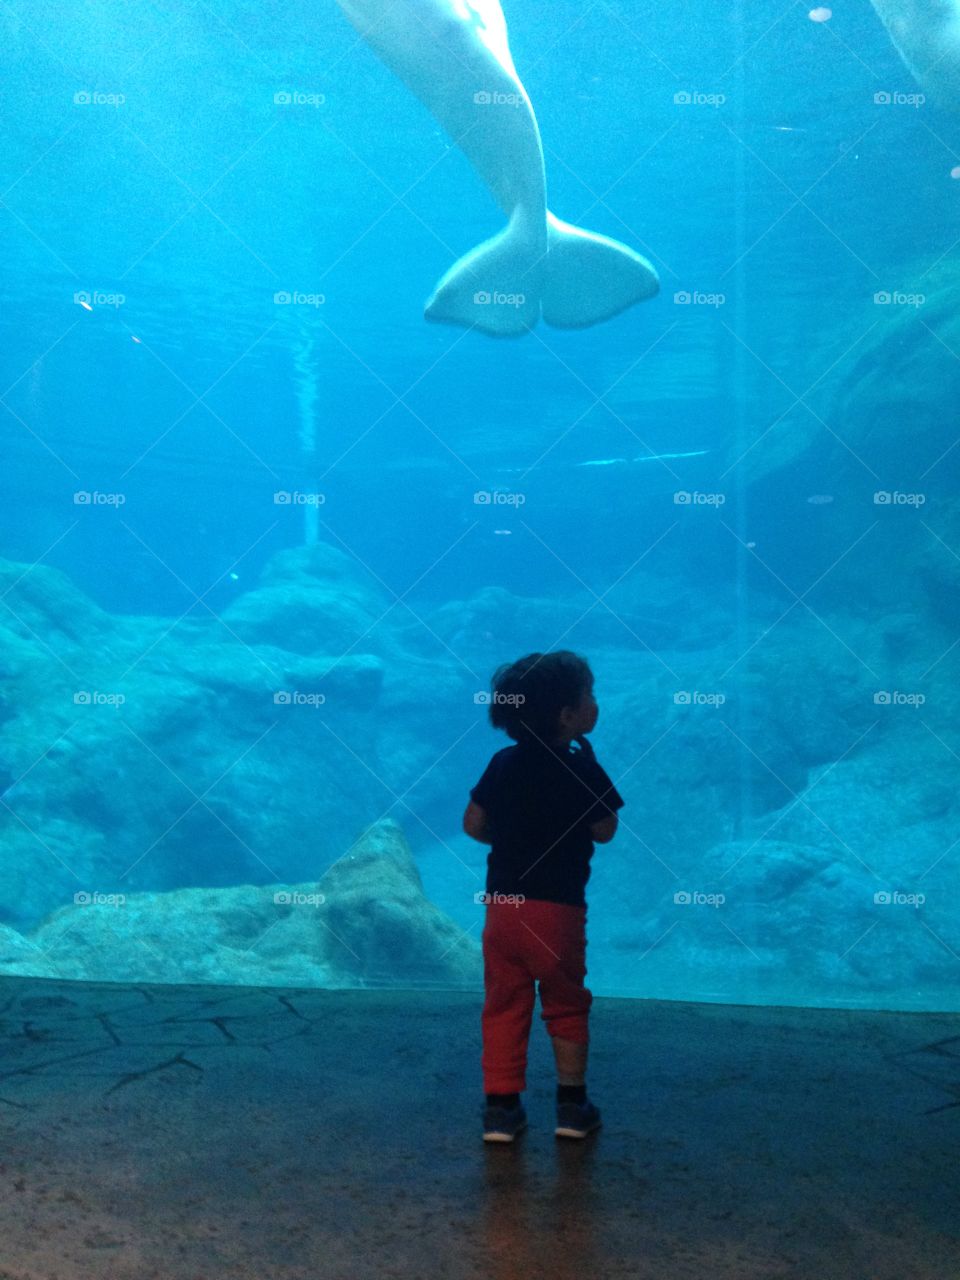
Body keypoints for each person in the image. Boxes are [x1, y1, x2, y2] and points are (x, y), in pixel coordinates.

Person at [463, 651, 624, 1143]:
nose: (595, 705)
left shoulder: (502, 762)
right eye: (588, 696)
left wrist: (513, 840)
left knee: (504, 1002)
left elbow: (472, 825)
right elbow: (605, 831)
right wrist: (590, 776)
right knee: (566, 1002)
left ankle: (501, 1111)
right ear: (566, 715)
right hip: (558, 913)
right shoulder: (582, 768)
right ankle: (572, 1107)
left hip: (503, 912)